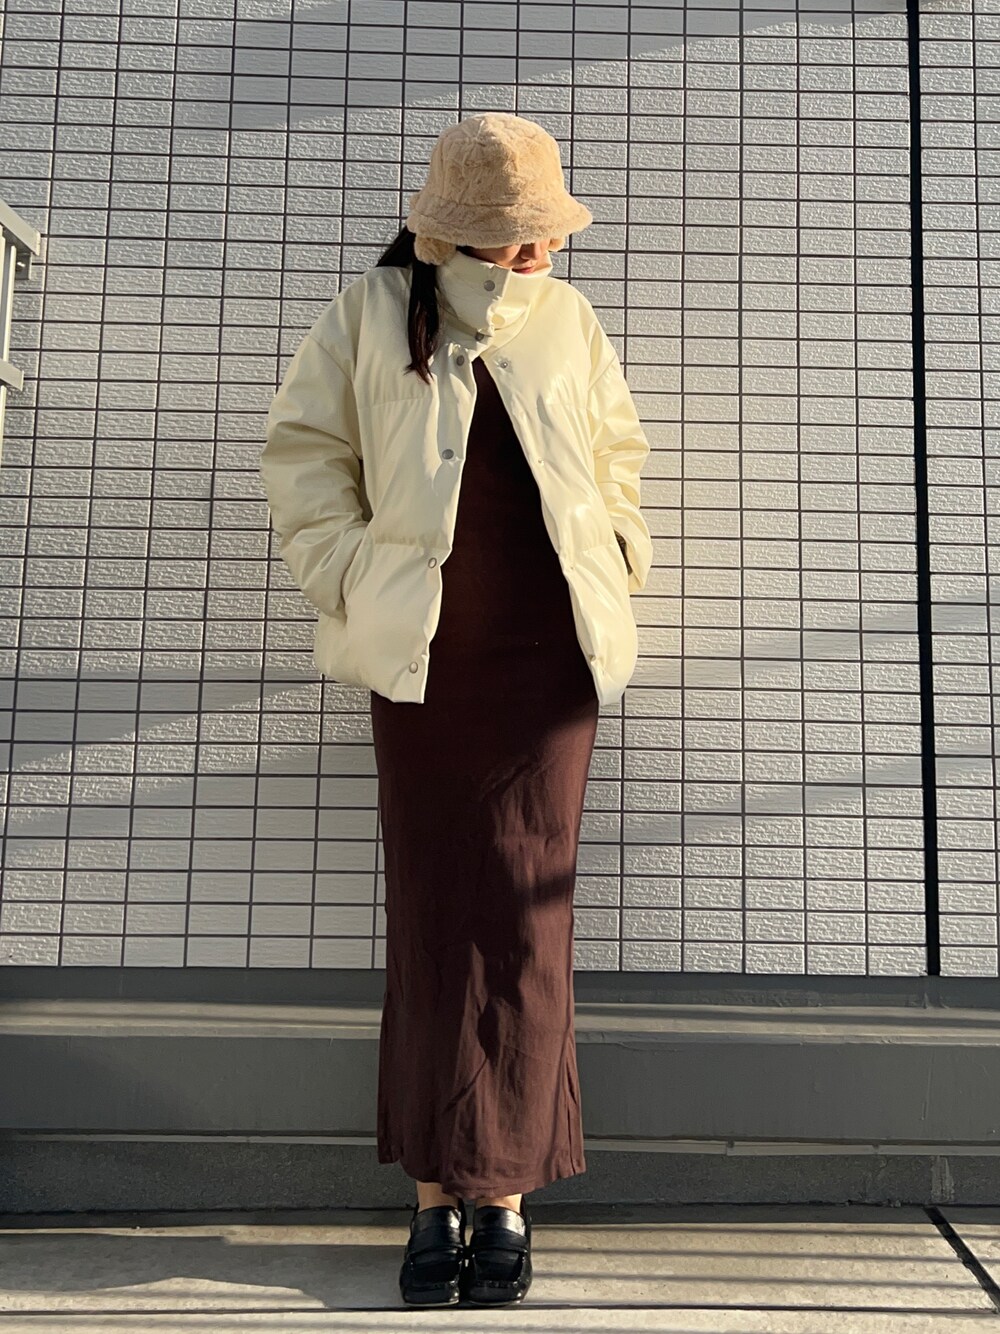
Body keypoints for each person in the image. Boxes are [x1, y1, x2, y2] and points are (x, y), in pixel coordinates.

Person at [260, 111, 653, 1308]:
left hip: (548, 671)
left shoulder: (568, 319)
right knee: (433, 919)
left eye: (539, 235)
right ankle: (436, 1196)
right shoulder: (371, 314)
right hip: (426, 667)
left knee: (529, 924)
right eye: (509, 237)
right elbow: (302, 456)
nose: (532, 254)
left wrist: (618, 548)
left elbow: (618, 451)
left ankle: (508, 1198)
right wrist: (352, 576)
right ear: (446, 236)